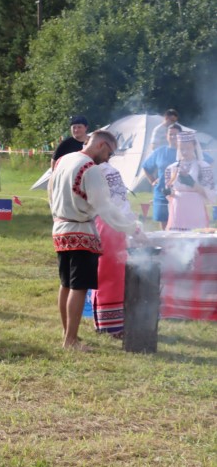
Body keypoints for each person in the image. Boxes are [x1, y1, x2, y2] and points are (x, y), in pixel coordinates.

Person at [48, 130, 142, 351]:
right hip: (81, 231)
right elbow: (105, 207)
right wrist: (132, 228)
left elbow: (50, 192)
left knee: (66, 284)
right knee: (78, 286)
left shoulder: (63, 160)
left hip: (60, 228)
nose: (108, 159)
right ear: (101, 145)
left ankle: (67, 334)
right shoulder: (90, 168)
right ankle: (71, 340)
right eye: (109, 153)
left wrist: (56, 216)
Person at [90, 159, 136, 338]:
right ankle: (113, 327)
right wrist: (133, 227)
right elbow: (120, 204)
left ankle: (103, 323)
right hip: (112, 226)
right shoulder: (109, 172)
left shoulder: (88, 169)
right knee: (112, 276)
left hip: (97, 224)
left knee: (101, 275)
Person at [164, 131, 216, 231]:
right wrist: (168, 192)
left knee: (196, 235)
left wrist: (192, 184)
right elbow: (170, 193)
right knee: (177, 236)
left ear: (194, 147)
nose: (184, 152)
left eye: (188, 148)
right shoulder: (172, 168)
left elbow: (211, 194)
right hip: (178, 208)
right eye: (182, 149)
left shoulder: (203, 166)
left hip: (195, 208)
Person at [142, 123, 184, 229]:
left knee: (181, 226)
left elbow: (206, 161)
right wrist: (152, 181)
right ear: (166, 136)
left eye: (176, 134)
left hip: (181, 194)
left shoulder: (186, 150)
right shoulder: (159, 152)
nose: (173, 137)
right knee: (165, 227)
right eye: (171, 134)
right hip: (162, 194)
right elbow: (146, 167)